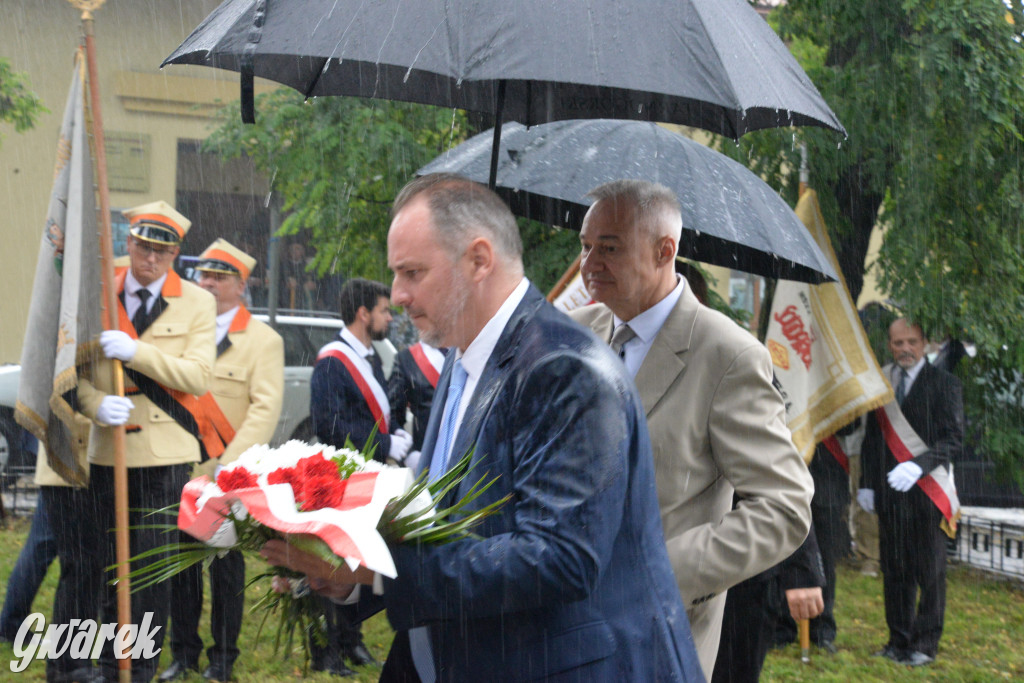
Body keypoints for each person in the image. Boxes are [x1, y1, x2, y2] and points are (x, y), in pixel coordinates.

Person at [262, 173, 704, 682]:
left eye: (412, 272)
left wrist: (377, 569)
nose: (398, 294)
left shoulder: (565, 369)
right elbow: (451, 519)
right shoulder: (462, 355)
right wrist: (340, 569)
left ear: (478, 259)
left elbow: (559, 559)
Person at [568, 179, 814, 678]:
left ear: (665, 251)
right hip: (560, 625)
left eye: (609, 248)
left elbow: (784, 507)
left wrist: (657, 573)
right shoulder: (575, 330)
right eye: (585, 246)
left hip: (652, 639)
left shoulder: (726, 354)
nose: (589, 265)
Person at [76, 200, 215, 683]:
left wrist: (139, 351)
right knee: (103, 566)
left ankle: (140, 670)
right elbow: (69, 373)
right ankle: (107, 665)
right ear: (127, 242)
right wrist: (94, 405)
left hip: (165, 456)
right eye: (141, 246)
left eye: (162, 250)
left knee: (151, 574)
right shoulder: (96, 289)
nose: (149, 259)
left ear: (176, 252)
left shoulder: (198, 301)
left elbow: (197, 377)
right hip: (106, 452)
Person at [161, 240, 284, 683]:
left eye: (218, 277)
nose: (207, 283)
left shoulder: (264, 340)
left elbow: (264, 410)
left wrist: (225, 468)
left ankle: (224, 660)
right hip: (177, 471)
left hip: (227, 477)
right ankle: (183, 654)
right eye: (203, 275)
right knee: (181, 572)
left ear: (241, 284)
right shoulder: (178, 330)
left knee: (226, 573)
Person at [310, 277, 413, 674]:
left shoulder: (369, 356)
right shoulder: (333, 360)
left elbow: (374, 411)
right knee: (333, 563)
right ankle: (327, 648)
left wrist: (396, 434)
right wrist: (385, 446)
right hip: (341, 477)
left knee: (359, 557)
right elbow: (330, 423)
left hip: (367, 476)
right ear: (363, 313)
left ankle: (352, 640)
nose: (389, 316)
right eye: (385, 310)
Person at [857, 318, 964, 667]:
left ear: (925, 343)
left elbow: (953, 438)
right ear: (890, 344)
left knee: (930, 572)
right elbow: (873, 440)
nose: (905, 349)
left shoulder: (944, 383)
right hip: (890, 492)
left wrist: (919, 465)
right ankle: (898, 639)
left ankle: (924, 644)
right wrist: (867, 485)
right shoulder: (882, 385)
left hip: (927, 492)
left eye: (912, 342)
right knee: (895, 569)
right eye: (898, 342)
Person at [712, 526, 825, 683]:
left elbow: (787, 505)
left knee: (730, 671)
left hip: (744, 568)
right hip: (679, 559)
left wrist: (801, 563)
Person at [387, 338, 445, 457]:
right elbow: (392, 417)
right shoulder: (406, 359)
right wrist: (408, 455)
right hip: (428, 456)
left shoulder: (470, 351)